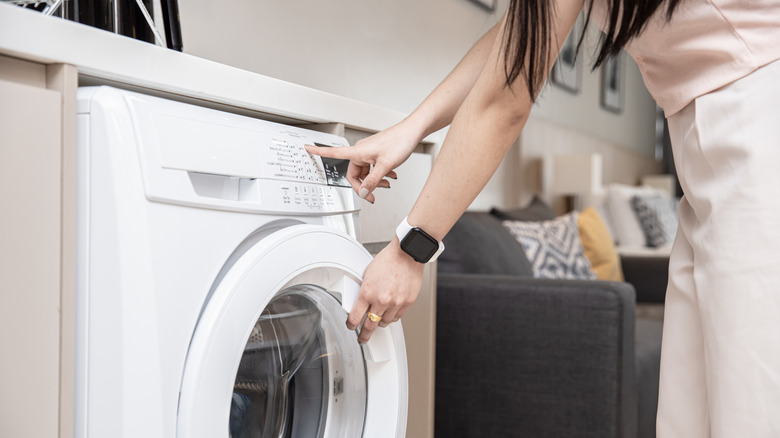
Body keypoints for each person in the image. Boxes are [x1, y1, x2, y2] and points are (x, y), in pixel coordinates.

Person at [306, 0, 780, 435]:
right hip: (715, 155)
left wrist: (412, 249)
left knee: (750, 404)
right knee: (693, 410)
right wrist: (410, 128)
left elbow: (504, 99)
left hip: (757, 136)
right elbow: (514, 43)